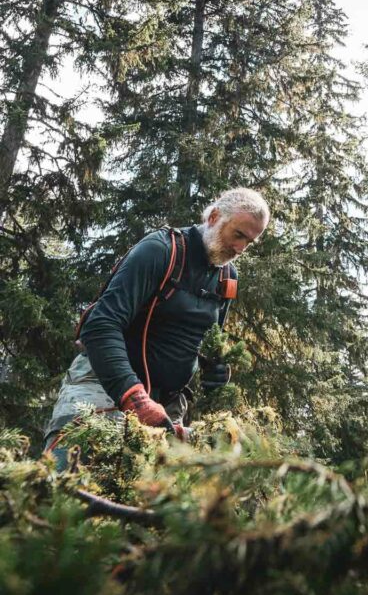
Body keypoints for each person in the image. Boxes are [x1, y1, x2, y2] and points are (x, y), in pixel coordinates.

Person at [43, 187, 269, 460]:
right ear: (214, 217)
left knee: (147, 500)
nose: (240, 248)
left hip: (166, 407)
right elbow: (101, 324)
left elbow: (206, 341)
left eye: (250, 242)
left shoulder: (227, 279)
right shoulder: (161, 250)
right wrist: (134, 396)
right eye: (238, 234)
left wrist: (215, 371)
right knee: (68, 484)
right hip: (103, 385)